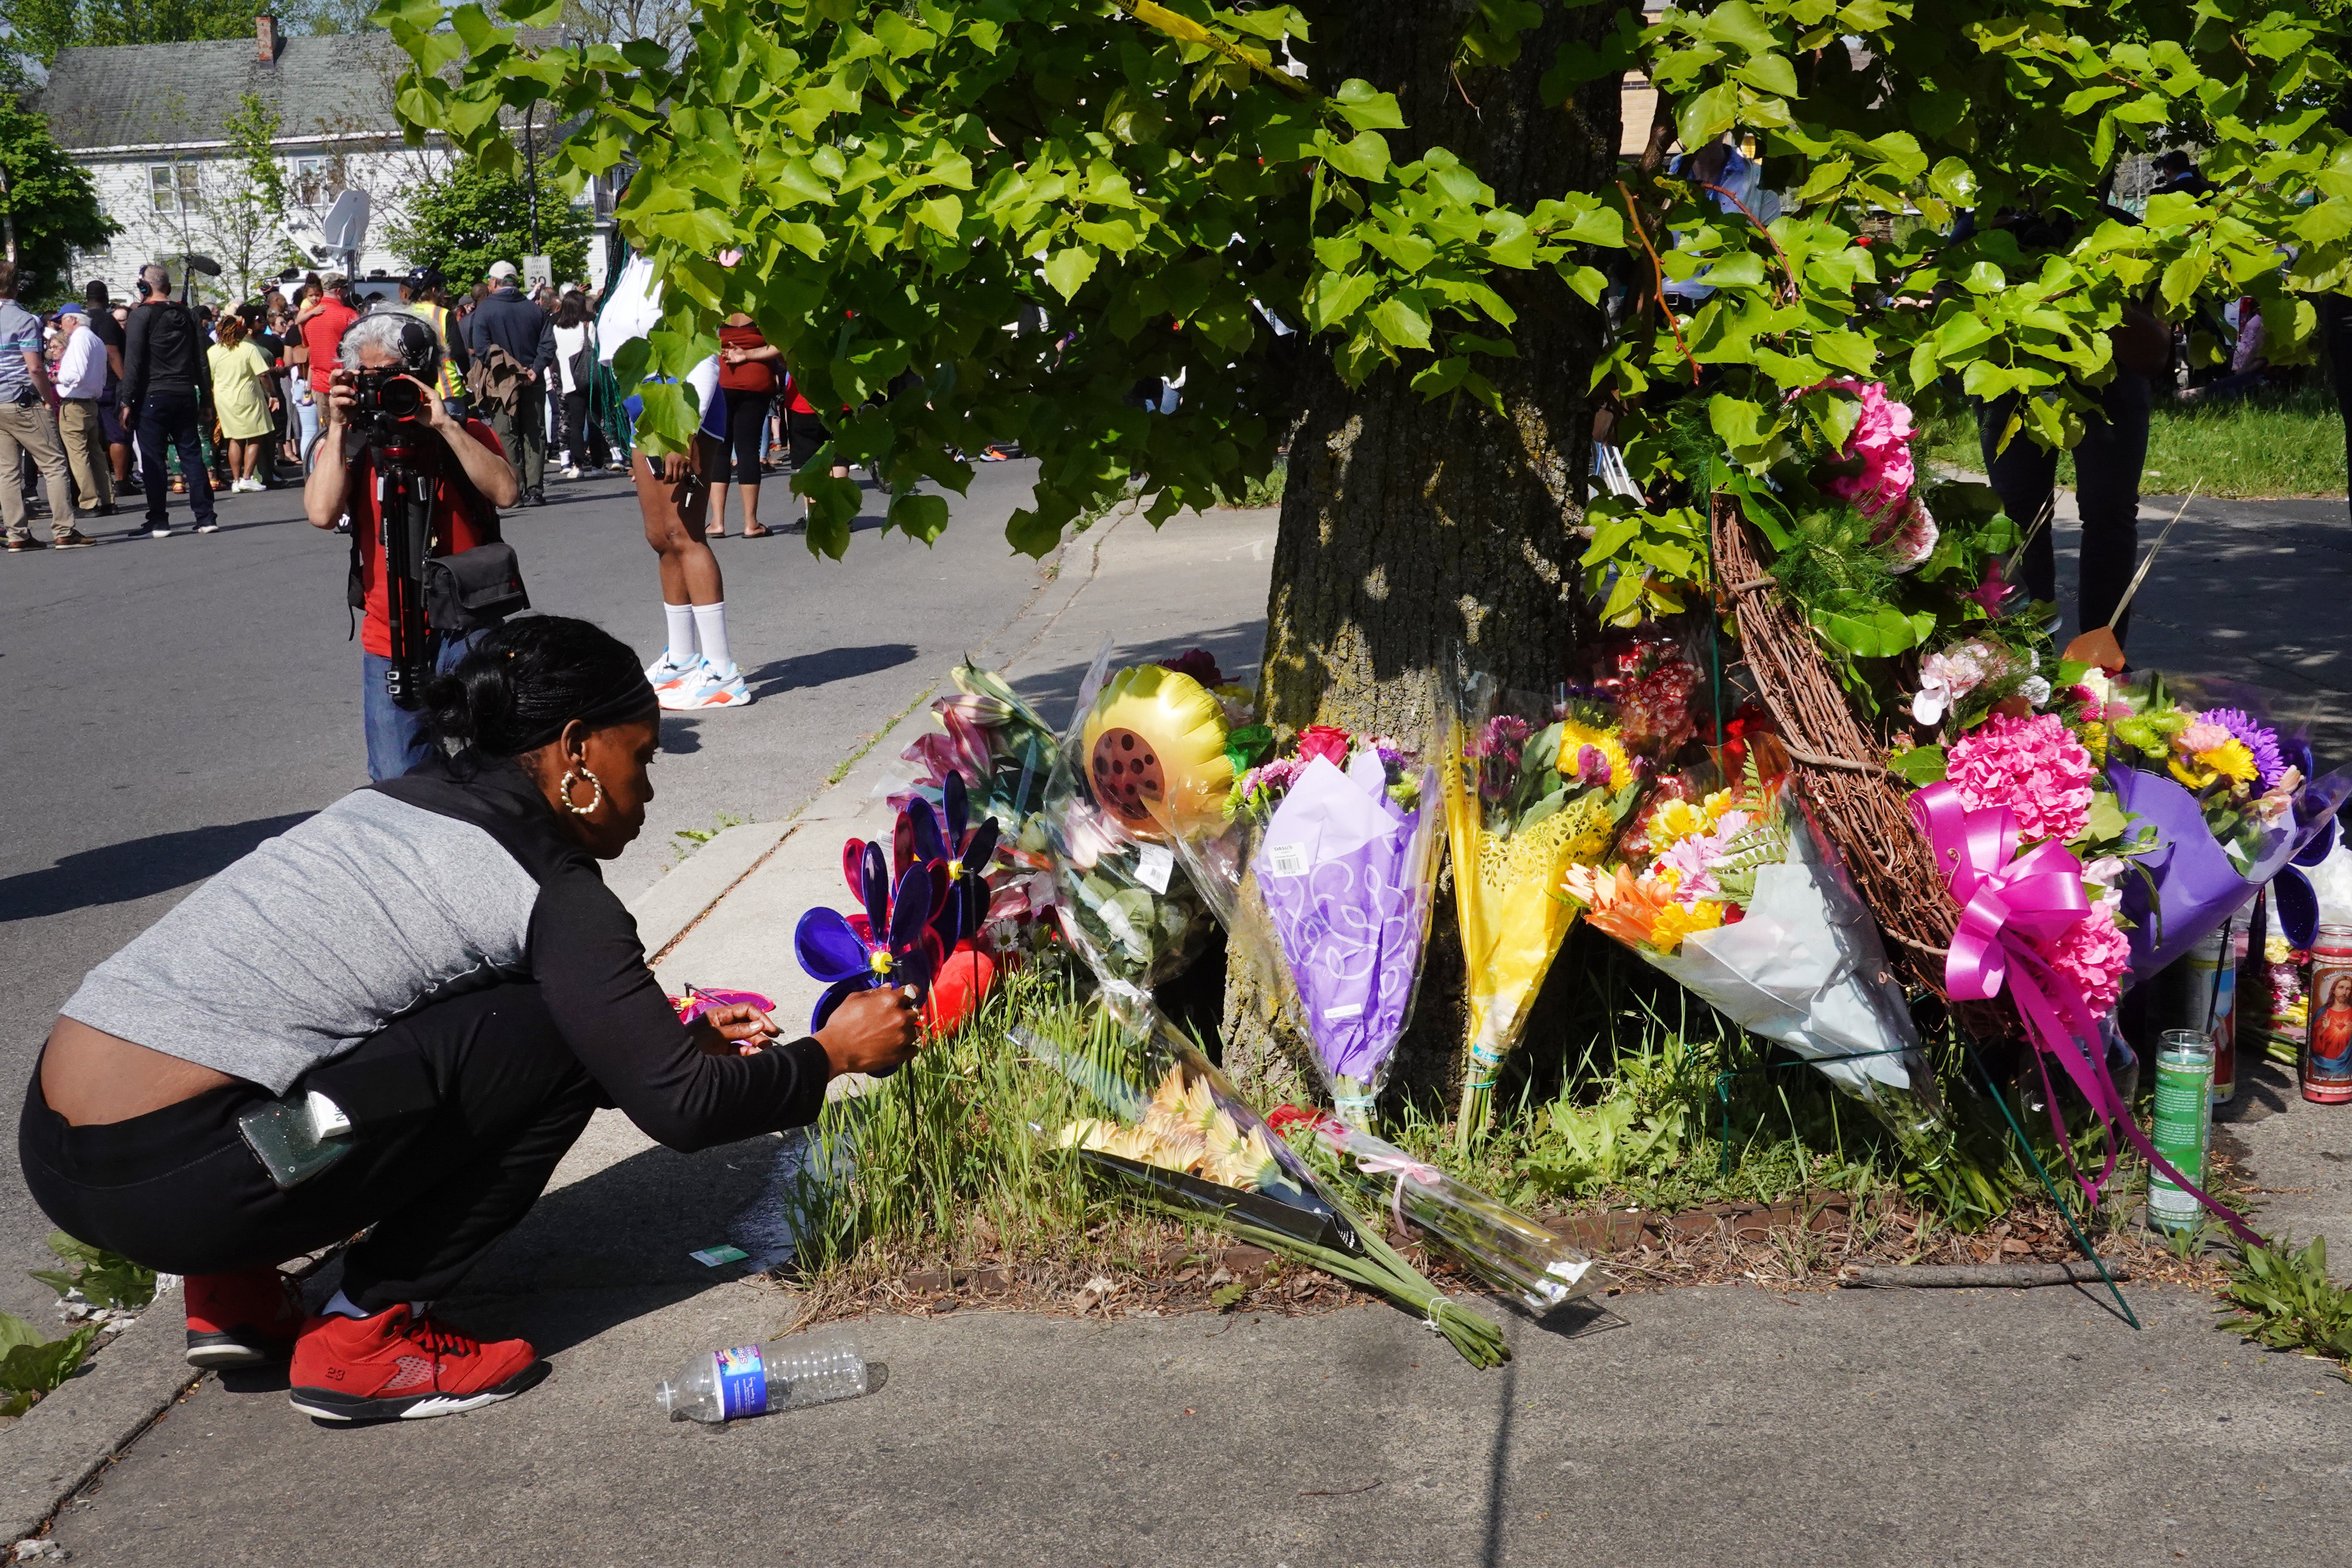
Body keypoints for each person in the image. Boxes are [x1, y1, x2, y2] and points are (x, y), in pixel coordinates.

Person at [18, 615, 924, 1422]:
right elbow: (684, 1110)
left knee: (413, 1013)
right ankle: (366, 1334)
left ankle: (235, 1297)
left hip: (61, 1155)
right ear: (576, 751)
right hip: (189, 1182)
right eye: (640, 757)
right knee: (554, 1035)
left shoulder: (387, 804)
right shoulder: (552, 886)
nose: (648, 791)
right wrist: (830, 1054)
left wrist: (651, 1047)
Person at [306, 310, 521, 778]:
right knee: (397, 777)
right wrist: (340, 425)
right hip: (390, 630)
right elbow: (321, 514)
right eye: (370, 378)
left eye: (395, 377)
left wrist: (444, 426)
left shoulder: (462, 433)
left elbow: (507, 492)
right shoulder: (351, 443)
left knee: (490, 768)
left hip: (468, 623)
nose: (385, 392)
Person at [599, 249, 751, 709]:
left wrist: (683, 433)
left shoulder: (682, 265)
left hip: (681, 408)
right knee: (661, 537)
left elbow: (700, 354)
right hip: (643, 407)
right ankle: (683, 658)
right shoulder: (631, 266)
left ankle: (723, 671)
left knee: (686, 536)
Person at [0, 263, 94, 552]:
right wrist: (47, 399)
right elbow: (35, 367)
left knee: (7, 471)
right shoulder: (24, 319)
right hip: (22, 398)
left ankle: (17, 532)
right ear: (16, 286)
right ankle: (64, 529)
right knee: (54, 464)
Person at [465, 260, 555, 506]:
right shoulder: (535, 310)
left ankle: (515, 489)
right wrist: (534, 370)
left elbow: (481, 350)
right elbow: (548, 346)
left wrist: (510, 369)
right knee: (535, 433)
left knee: (507, 434)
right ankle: (535, 490)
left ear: (494, 283)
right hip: (532, 381)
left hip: (501, 383)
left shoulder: (483, 311)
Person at [710, 312, 779, 537]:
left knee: (721, 450)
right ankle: (751, 524)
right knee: (748, 449)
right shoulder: (761, 303)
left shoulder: (715, 304)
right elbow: (780, 345)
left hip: (721, 381)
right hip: (756, 382)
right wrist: (749, 354)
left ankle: (717, 523)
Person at [52, 304, 115, 521]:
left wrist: (56, 378)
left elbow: (74, 373)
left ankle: (89, 502)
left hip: (75, 402)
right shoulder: (95, 340)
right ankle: (108, 499)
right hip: (90, 401)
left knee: (78, 454)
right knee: (95, 452)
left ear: (73, 319)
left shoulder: (79, 340)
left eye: (62, 320)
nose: (61, 325)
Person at [207, 312, 279, 494]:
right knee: (255, 437)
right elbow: (263, 374)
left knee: (235, 438)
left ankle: (236, 479)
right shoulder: (248, 349)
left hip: (224, 400)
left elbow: (211, 377)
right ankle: (247, 478)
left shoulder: (213, 351)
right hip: (247, 397)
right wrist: (273, 394)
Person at [82, 281, 131, 500]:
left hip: (87, 384)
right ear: (106, 296)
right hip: (109, 384)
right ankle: (121, 481)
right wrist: (126, 381)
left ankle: (101, 481)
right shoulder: (107, 321)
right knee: (117, 435)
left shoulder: (81, 321)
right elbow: (112, 353)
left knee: (95, 439)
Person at [551, 291, 595, 481]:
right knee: (594, 420)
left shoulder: (557, 329)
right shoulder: (587, 325)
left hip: (569, 380)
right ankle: (598, 461)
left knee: (576, 424)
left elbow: (558, 354)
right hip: (590, 379)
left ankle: (577, 465)